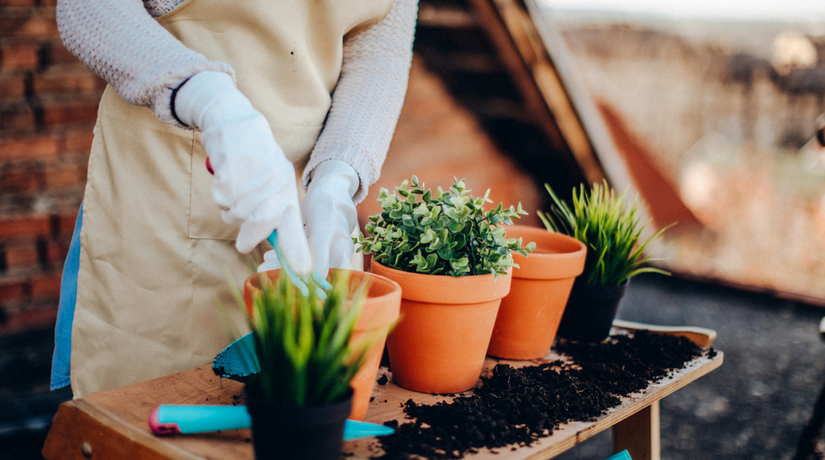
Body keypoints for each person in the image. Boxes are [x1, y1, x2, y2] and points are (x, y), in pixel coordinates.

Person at [51, 0, 419, 398]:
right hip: (163, 191)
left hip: (303, 186)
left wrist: (337, 178)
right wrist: (210, 101)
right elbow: (87, 8)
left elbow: (378, 54)